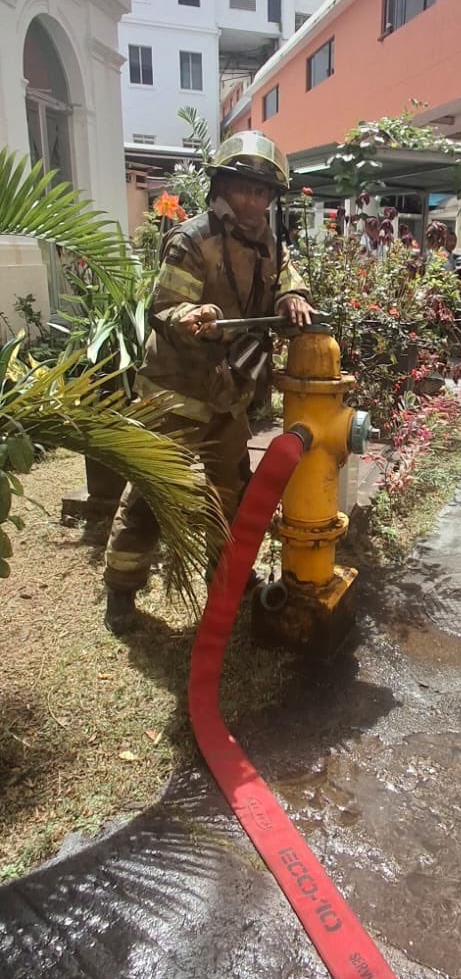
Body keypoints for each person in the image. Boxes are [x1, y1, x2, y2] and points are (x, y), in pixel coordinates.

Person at [103, 133, 312, 635]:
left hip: (227, 393)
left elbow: (286, 274)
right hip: (175, 390)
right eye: (244, 188)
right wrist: (191, 315)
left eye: (263, 191)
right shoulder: (192, 239)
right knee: (153, 493)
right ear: (221, 187)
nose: (254, 202)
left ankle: (227, 576)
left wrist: (293, 296)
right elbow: (165, 308)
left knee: (231, 492)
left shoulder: (270, 243)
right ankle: (121, 591)